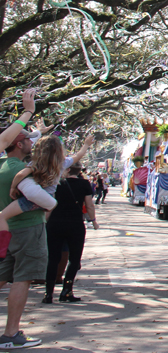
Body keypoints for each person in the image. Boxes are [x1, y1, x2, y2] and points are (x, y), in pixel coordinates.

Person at [0, 133, 94, 243]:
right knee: (43, 222)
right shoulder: (62, 163)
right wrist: (86, 144)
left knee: (2, 217)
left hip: (30, 200)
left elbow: (20, 175)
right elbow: (79, 155)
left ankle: (3, 246)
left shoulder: (35, 164)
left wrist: (13, 187)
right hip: (48, 199)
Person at [0, 127, 46, 348]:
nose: (31, 143)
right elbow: (41, 198)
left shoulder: (1, 166)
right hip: (27, 228)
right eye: (28, 139)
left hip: (6, 229)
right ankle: (11, 334)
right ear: (19, 144)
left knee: (3, 275)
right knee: (22, 278)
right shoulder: (20, 170)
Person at [43, 162, 97, 304]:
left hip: (55, 223)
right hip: (75, 224)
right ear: (79, 171)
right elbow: (89, 205)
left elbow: (49, 205)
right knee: (74, 259)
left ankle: (48, 293)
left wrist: (45, 222)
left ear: (67, 169)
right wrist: (93, 221)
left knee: (53, 258)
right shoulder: (84, 184)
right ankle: (67, 290)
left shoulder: (57, 183)